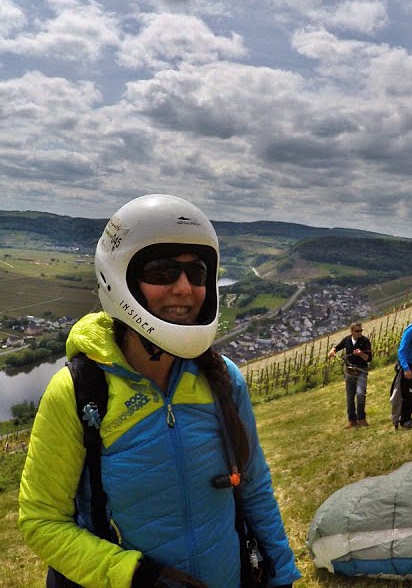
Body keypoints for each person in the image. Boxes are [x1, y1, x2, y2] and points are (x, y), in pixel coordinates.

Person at [18, 194, 300, 588]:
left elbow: (254, 488)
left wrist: (281, 574)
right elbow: (42, 520)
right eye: (163, 271)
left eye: (197, 274)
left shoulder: (223, 379)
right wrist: (136, 576)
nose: (185, 288)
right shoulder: (79, 392)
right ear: (121, 279)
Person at [328, 322, 372, 428]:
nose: (360, 333)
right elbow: (337, 347)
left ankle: (361, 418)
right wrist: (332, 351)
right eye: (357, 331)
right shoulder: (347, 340)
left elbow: (369, 358)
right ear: (352, 331)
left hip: (361, 370)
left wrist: (361, 354)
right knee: (350, 396)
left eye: (361, 330)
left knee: (361, 394)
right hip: (349, 371)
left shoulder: (365, 341)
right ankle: (352, 420)